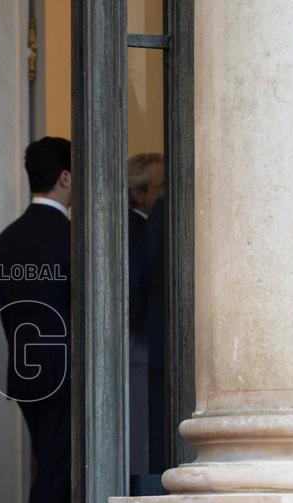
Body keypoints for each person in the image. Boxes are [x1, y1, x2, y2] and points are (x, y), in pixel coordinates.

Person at [0, 136, 73, 503]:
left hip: (27, 374)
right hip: (65, 373)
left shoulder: (10, 236)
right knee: (57, 477)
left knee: (53, 473)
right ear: (65, 177)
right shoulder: (67, 235)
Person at [127, 153, 167, 482]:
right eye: (163, 185)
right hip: (144, 349)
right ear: (139, 194)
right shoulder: (136, 231)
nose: (169, 193)